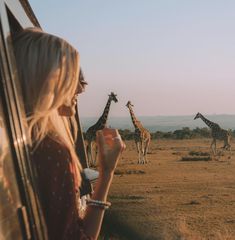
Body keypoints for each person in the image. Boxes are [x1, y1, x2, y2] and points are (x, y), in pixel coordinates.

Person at [13, 27, 125, 240]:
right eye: (69, 75)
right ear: (43, 79)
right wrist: (107, 172)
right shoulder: (50, 150)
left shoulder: (20, 142)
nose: (81, 88)